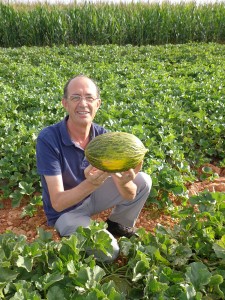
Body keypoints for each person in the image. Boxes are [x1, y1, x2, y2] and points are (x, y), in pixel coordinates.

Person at [36, 74, 152, 262]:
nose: (83, 103)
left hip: (92, 199)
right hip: (66, 211)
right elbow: (57, 202)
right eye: (75, 97)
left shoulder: (103, 138)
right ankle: (71, 232)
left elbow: (130, 194)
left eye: (89, 98)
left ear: (98, 104)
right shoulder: (48, 139)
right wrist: (91, 184)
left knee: (143, 181)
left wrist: (124, 182)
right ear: (64, 103)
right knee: (109, 252)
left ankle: (117, 224)